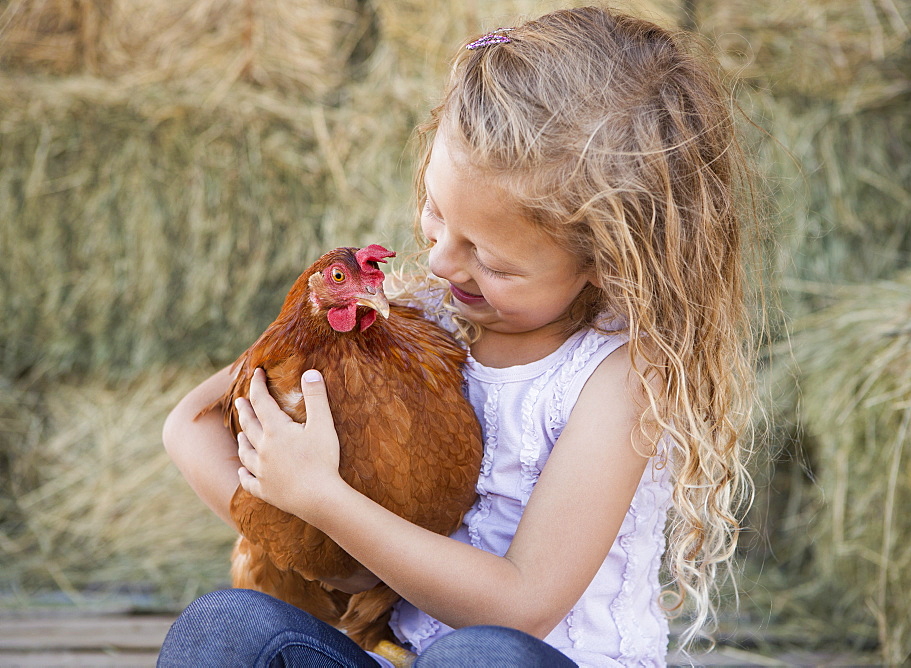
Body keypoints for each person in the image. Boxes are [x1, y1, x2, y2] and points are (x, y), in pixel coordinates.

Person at [158, 6, 757, 667]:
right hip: (401, 656)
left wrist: (324, 501)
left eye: (491, 260)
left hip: (532, 660)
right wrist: (307, 531)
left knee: (482, 658)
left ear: (608, 258)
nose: (441, 261)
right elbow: (190, 423)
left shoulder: (617, 378)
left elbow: (521, 607)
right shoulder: (409, 318)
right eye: (436, 214)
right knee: (225, 627)